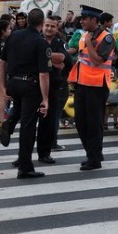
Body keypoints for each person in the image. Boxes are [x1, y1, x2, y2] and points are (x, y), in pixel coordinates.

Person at [0, 8, 50, 179]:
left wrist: (5, 86)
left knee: (19, 109)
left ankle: (10, 122)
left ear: (27, 21)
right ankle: (25, 167)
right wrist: (45, 98)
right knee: (28, 127)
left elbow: (1, 62)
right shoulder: (40, 42)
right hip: (30, 85)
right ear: (41, 24)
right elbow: (43, 74)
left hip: (13, 81)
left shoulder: (14, 35)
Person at [70, 6, 115, 171]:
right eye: (81, 18)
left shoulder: (107, 38)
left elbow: (97, 61)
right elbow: (81, 60)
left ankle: (94, 159)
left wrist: (89, 42)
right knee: (80, 122)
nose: (82, 21)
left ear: (95, 20)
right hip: (82, 83)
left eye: (85, 18)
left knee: (94, 123)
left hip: (97, 85)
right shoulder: (83, 36)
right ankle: (93, 152)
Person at [37, 15, 73, 161]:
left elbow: (65, 61)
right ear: (42, 26)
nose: (49, 28)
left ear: (57, 28)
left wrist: (45, 56)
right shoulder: (37, 40)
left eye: (52, 26)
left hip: (56, 85)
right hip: (37, 85)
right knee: (31, 120)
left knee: (51, 119)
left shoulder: (60, 42)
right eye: (47, 25)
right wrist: (54, 59)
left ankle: (47, 149)